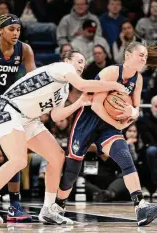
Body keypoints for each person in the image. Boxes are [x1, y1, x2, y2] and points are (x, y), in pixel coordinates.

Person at [0, 50, 126, 224]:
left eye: (84, 63)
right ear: (67, 60)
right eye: (79, 61)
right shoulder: (60, 68)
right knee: (19, 160)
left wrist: (79, 103)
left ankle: (48, 210)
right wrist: (113, 85)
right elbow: (84, 85)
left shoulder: (64, 90)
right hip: (7, 109)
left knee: (57, 157)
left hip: (28, 119)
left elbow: (56, 116)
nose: (82, 65)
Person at [55, 42, 157, 226]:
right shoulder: (111, 72)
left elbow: (135, 109)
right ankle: (57, 206)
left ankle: (140, 206)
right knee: (72, 171)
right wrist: (118, 122)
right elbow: (96, 105)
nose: (144, 58)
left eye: (145, 56)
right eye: (140, 55)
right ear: (127, 55)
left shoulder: (138, 79)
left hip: (108, 127)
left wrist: (130, 114)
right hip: (88, 122)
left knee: (125, 156)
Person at [0, 13, 36, 221]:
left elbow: (33, 79)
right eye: (11, 29)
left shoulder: (24, 49)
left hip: (3, 102)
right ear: (1, 30)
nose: (16, 33)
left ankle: (15, 205)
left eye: (18, 29)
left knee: (13, 153)